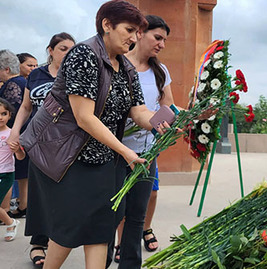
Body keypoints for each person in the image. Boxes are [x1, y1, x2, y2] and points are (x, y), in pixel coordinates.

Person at [21, 1, 169, 268]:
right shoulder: (83, 55)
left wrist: (164, 122)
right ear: (107, 25)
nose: (134, 37)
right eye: (129, 29)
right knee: (71, 228)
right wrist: (125, 151)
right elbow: (84, 117)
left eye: (138, 32)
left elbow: (139, 111)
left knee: (101, 227)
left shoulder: (126, 67)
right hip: (67, 155)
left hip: (101, 157)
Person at [110, 14, 176, 267]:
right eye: (157, 37)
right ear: (140, 33)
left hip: (146, 151)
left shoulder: (160, 71)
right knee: (112, 211)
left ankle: (130, 263)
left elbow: (167, 106)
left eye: (164, 40)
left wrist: (167, 124)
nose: (161, 44)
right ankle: (104, 255)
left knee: (137, 214)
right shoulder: (116, 64)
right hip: (115, 151)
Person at [7, 32, 75, 268]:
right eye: (63, 48)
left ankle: (58, 240)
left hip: (66, 144)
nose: (67, 53)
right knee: (38, 194)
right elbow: (25, 107)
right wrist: (15, 132)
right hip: (37, 142)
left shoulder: (76, 75)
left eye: (71, 49)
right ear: (51, 50)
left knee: (63, 194)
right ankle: (38, 243)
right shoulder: (36, 75)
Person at [0, 49, 26, 221]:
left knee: (11, 173)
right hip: (25, 134)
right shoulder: (25, 82)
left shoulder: (12, 85)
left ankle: (6, 211)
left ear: (6, 69)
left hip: (12, 136)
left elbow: (12, 112)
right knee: (23, 175)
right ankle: (23, 206)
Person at [0, 98, 25, 242]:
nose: (0, 117)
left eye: (4, 113)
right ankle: (10, 222)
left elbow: (21, 157)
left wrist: (17, 150)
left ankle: (11, 223)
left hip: (6, 173)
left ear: (10, 115)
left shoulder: (12, 134)